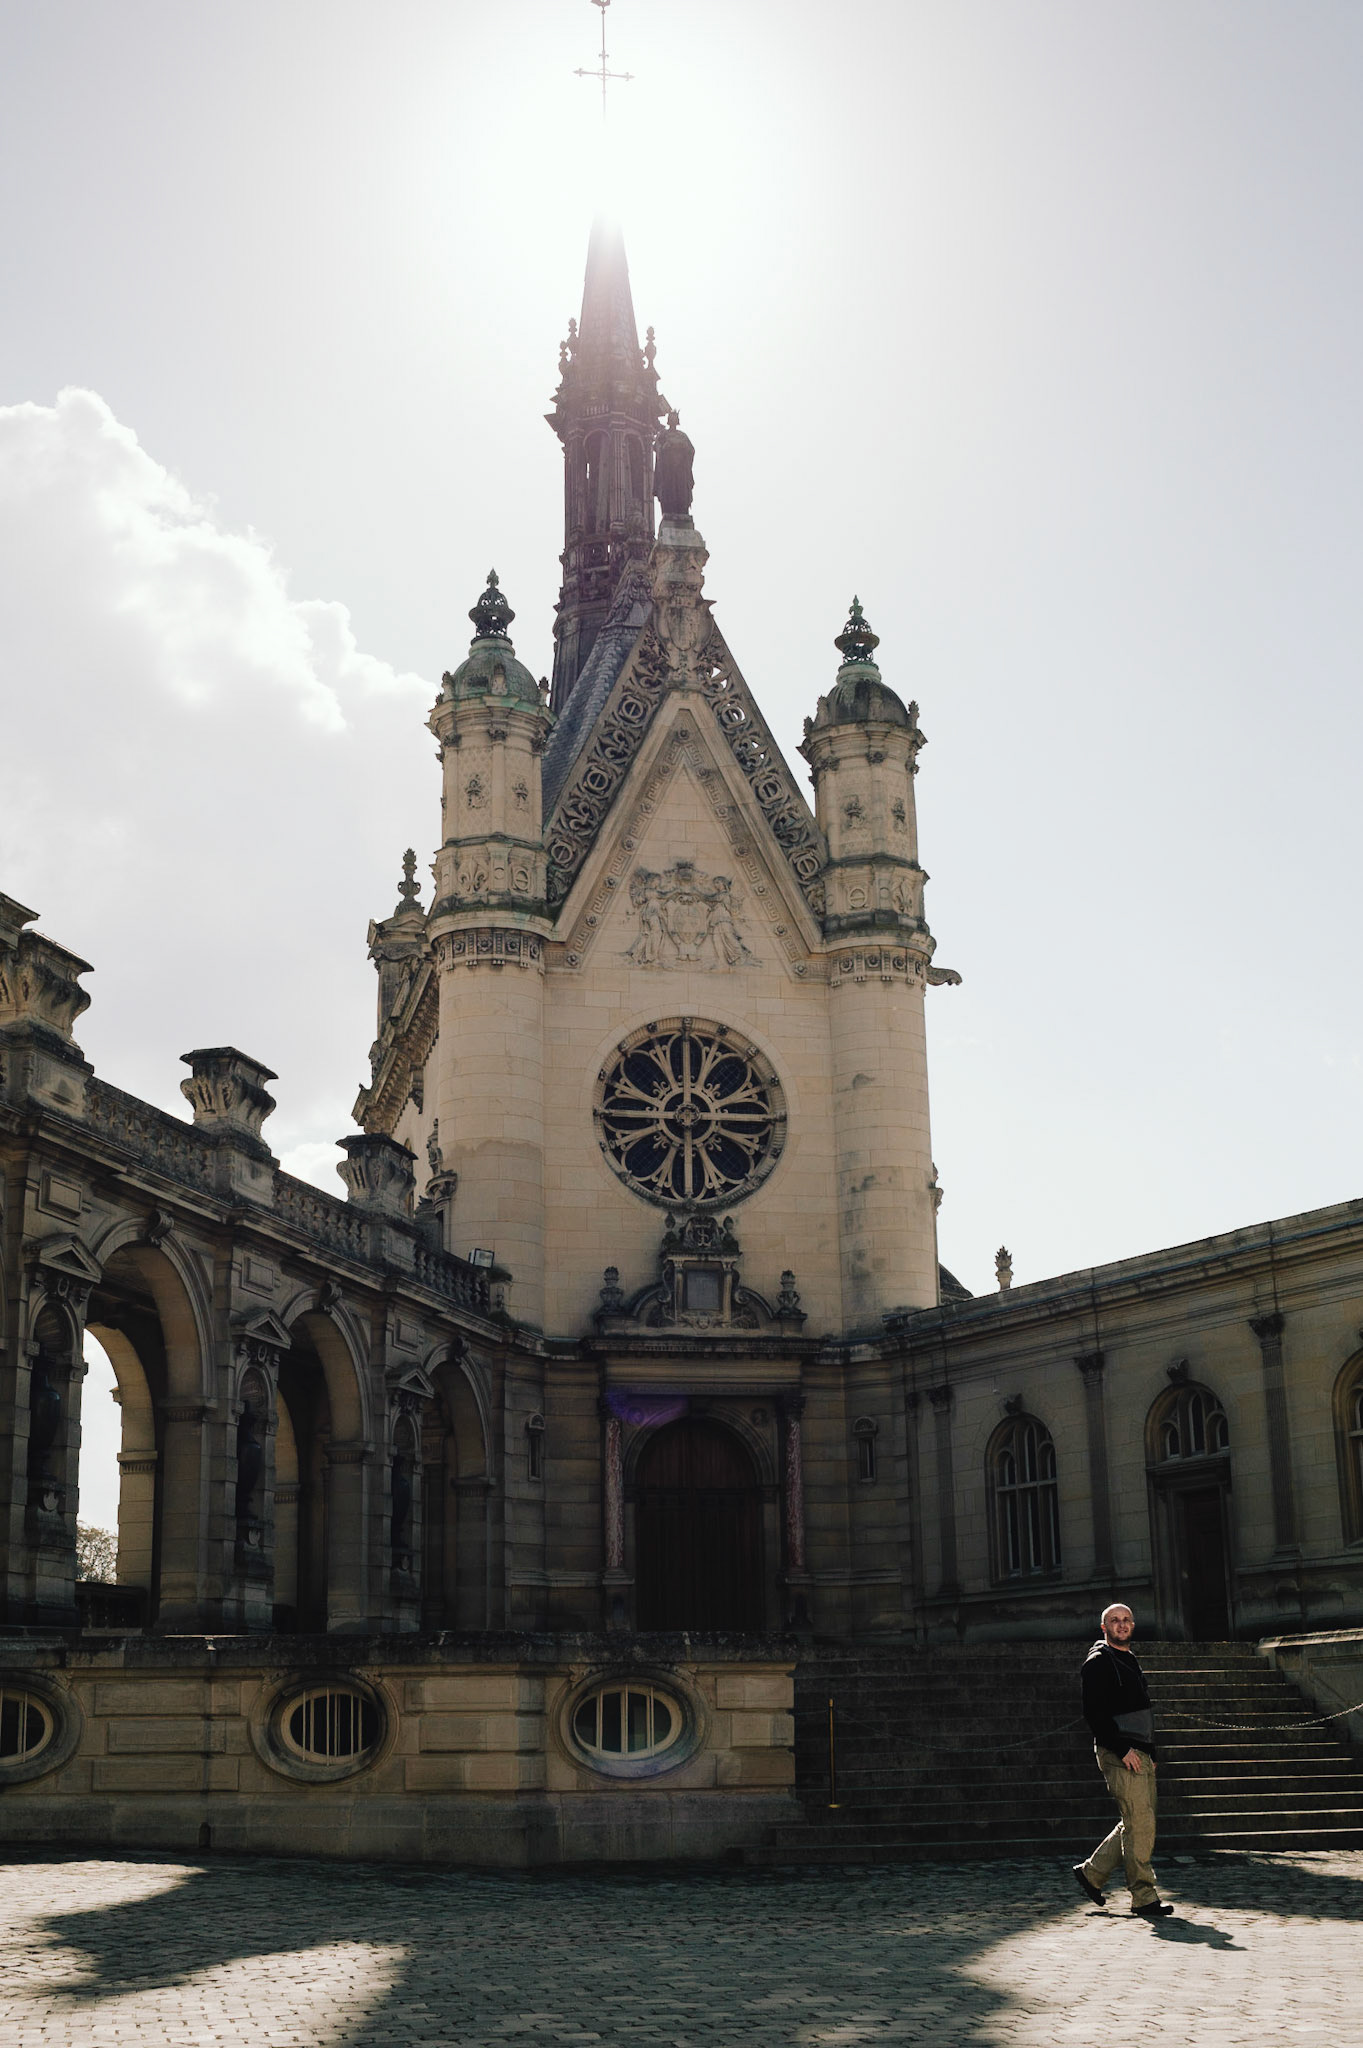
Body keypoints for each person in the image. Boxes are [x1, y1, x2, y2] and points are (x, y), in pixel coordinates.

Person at [1072, 1603, 1175, 1918]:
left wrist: (1150, 1752)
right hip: (1119, 1752)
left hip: (1140, 1750)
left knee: (1136, 1821)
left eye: (1126, 1620)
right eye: (1114, 1621)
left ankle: (1091, 1874)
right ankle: (1143, 1896)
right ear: (1104, 1628)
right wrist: (1122, 1750)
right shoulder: (1098, 1662)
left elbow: (1141, 1709)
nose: (1121, 1624)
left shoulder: (1128, 1658)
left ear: (1133, 1624)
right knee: (1140, 1822)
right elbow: (1095, 1714)